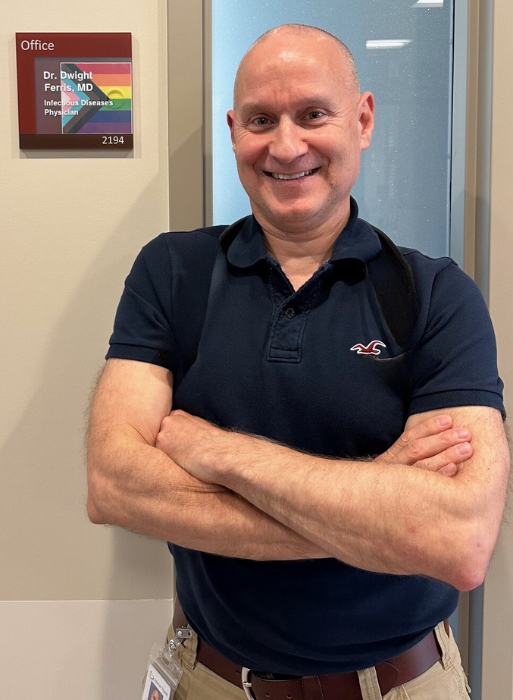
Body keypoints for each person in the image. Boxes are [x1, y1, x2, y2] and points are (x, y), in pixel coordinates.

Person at [86, 24, 509, 700]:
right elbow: (114, 485)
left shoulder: (435, 294)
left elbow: (456, 540)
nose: (285, 146)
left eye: (312, 114)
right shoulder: (171, 272)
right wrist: (375, 506)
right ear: (233, 131)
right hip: (214, 682)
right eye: (261, 120)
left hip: (402, 687)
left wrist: (217, 454)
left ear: (362, 120)